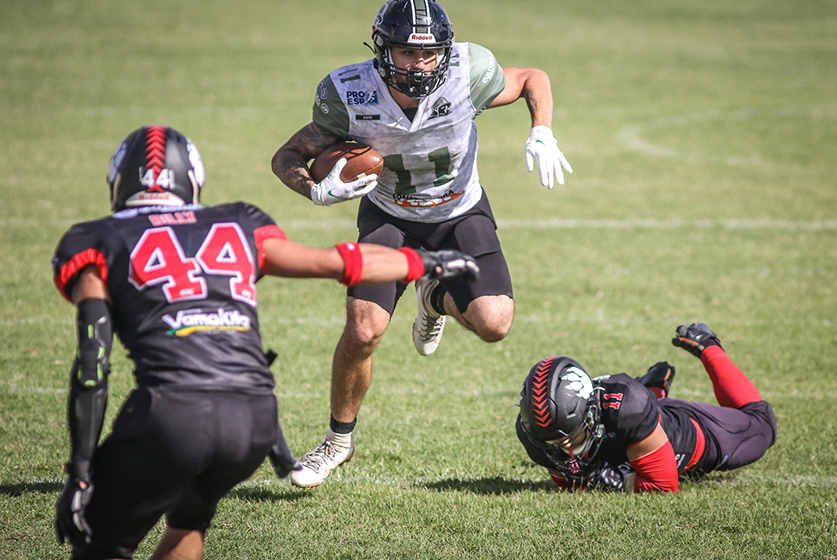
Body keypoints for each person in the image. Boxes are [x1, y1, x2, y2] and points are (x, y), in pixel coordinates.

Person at [52, 125, 479, 560]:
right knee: (187, 523)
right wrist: (425, 261)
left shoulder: (94, 241)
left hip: (171, 416)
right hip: (251, 421)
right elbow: (337, 261)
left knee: (98, 546)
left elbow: (93, 362)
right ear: (193, 180)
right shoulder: (239, 223)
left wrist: (81, 472)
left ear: (117, 181)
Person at [271, 0, 573, 488]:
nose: (421, 63)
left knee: (495, 324)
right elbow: (287, 154)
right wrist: (315, 188)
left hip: (459, 212)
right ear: (383, 50)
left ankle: (432, 297)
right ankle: (337, 441)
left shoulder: (467, 72)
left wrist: (542, 131)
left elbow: (532, 77)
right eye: (408, 53)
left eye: (431, 52)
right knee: (364, 329)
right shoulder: (348, 92)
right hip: (390, 214)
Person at [516, 323, 777, 493]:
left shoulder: (628, 408)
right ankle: (653, 391)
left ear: (592, 412)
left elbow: (663, 484)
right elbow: (569, 486)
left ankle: (708, 346)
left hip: (687, 432)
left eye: (572, 438)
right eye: (552, 442)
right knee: (631, 419)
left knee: (763, 426)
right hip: (635, 421)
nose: (565, 450)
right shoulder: (534, 429)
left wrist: (619, 482)